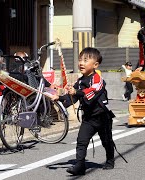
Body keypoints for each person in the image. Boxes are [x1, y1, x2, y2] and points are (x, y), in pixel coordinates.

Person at [50, 47, 117, 176]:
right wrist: (59, 98)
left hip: (102, 117)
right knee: (81, 141)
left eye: (85, 60)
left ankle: (110, 160)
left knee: (107, 141)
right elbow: (73, 98)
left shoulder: (98, 79)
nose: (81, 63)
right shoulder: (80, 81)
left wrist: (77, 92)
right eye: (80, 60)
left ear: (95, 65)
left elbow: (94, 90)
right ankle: (80, 166)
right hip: (89, 118)